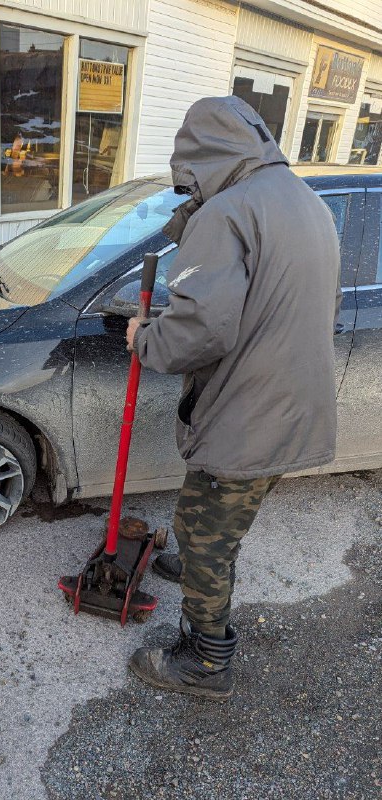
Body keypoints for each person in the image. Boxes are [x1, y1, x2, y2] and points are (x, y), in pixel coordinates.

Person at [125, 96, 341, 701]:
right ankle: (193, 563)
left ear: (202, 152)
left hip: (250, 410)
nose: (184, 183)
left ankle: (206, 661)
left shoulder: (228, 212)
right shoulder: (304, 201)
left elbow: (202, 331)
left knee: (209, 536)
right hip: (293, 402)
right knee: (212, 514)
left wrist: (147, 339)